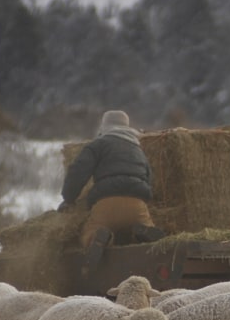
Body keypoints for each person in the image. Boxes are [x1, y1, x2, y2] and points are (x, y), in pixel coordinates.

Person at [60, 110, 163, 263]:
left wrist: (69, 198)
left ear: (105, 126)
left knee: (88, 235)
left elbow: (78, 170)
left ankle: (101, 237)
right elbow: (149, 178)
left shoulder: (98, 145)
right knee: (145, 229)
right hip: (137, 206)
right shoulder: (137, 149)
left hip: (106, 204)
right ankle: (143, 230)